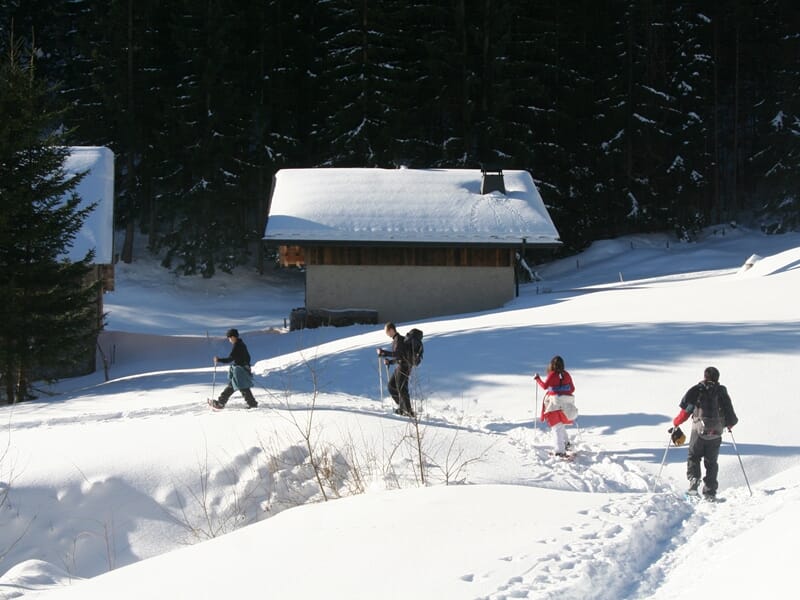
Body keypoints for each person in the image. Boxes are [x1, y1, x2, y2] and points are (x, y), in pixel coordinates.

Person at [672, 366, 738, 499]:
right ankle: (710, 492)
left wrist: (676, 422)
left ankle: (694, 483)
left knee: (694, 456)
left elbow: (687, 410)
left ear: (705, 376)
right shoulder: (721, 391)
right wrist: (729, 424)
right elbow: (729, 411)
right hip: (716, 432)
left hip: (698, 431)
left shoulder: (697, 390)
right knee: (712, 462)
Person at [534, 355, 577, 457]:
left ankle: (559, 451)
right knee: (560, 425)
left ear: (552, 365)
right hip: (565, 404)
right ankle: (566, 443)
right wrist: (562, 390)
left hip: (553, 405)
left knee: (556, 427)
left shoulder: (552, 375)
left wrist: (538, 379)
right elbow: (572, 389)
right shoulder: (566, 374)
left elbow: (544, 386)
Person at [211, 329, 258, 409]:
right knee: (232, 386)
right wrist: (246, 365)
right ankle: (221, 402)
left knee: (243, 388)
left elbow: (230, 359)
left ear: (233, 337)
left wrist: (219, 360)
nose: (229, 340)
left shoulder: (237, 346)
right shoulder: (241, 344)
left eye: (229, 338)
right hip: (242, 369)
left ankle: (252, 404)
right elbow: (248, 357)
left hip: (240, 371)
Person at [376, 322, 415, 418]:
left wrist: (383, 352)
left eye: (387, 332)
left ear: (391, 330)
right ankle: (403, 408)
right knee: (391, 386)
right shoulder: (396, 340)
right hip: (402, 365)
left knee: (402, 388)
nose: (387, 334)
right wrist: (390, 362)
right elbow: (399, 356)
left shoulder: (399, 339)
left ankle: (408, 411)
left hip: (404, 367)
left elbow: (398, 354)